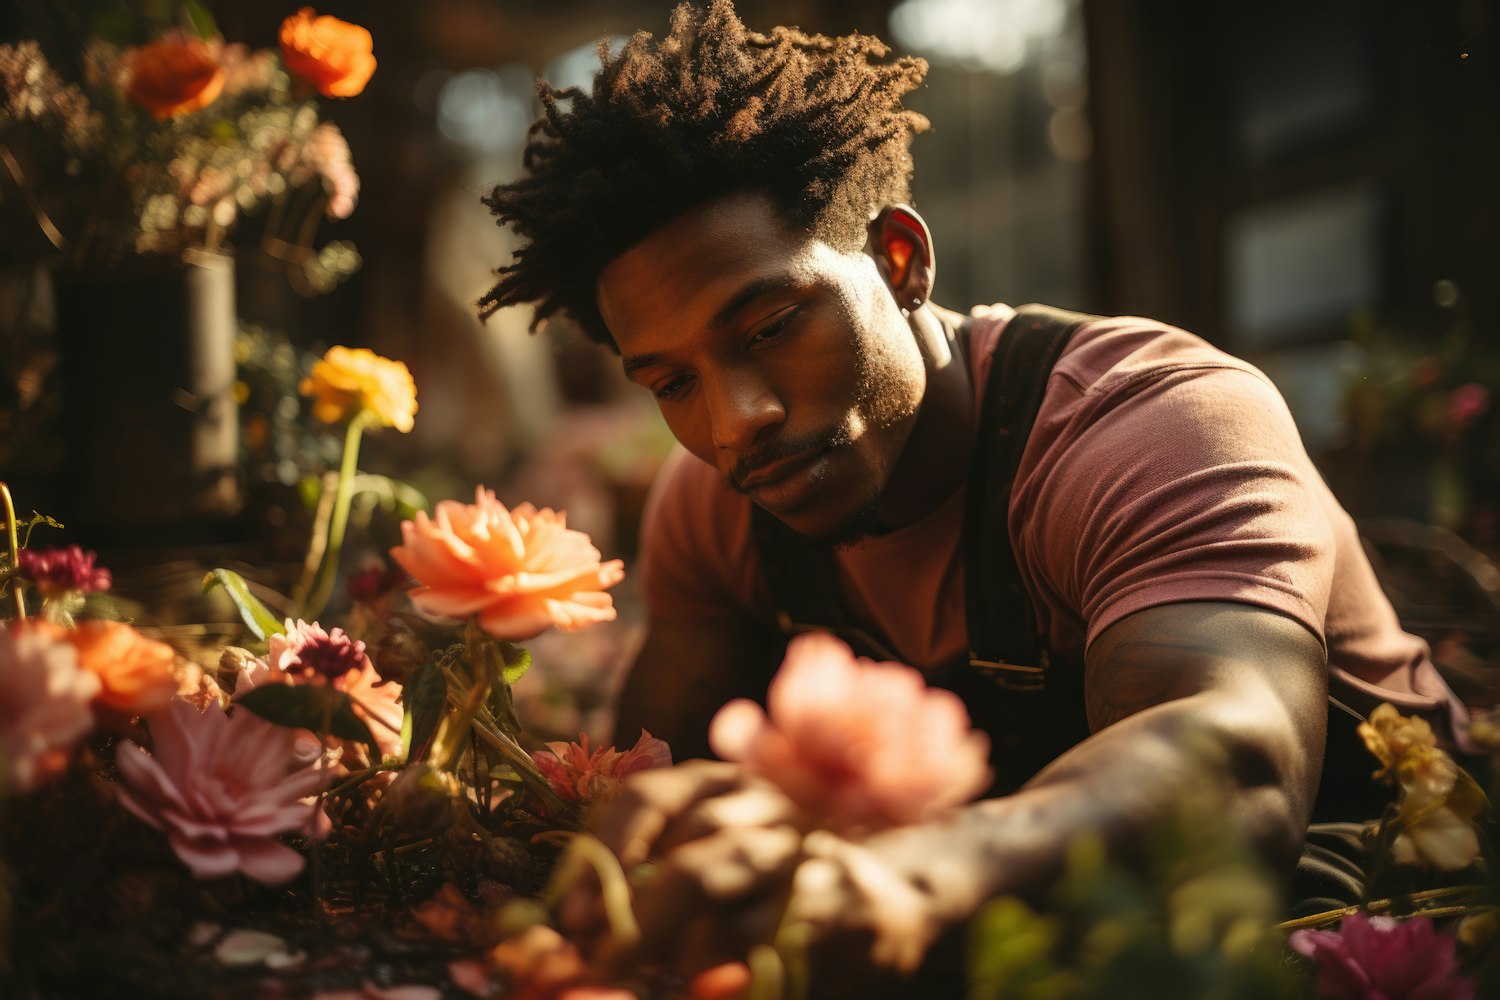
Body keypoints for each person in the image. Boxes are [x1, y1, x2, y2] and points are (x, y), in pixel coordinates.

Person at [479, 0, 1471, 990]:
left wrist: (920, 871)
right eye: (673, 383)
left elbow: (1234, 764)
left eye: (772, 326)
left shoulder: (1154, 425)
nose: (735, 421)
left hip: (1376, 884)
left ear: (901, 261)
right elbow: (656, 779)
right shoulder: (717, 510)